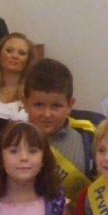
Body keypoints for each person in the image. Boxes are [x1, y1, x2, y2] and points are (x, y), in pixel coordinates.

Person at [23, 58, 95, 203]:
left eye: (56, 106)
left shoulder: (89, 143)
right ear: (24, 103)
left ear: (70, 105)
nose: (47, 114)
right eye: (39, 105)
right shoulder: (9, 142)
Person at [0, 32, 33, 122]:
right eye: (9, 51)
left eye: (21, 53)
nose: (15, 56)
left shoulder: (32, 91)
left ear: (28, 59)